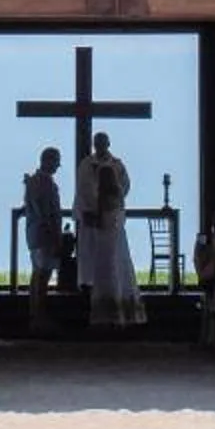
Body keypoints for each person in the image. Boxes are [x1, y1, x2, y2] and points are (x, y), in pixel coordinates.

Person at [73, 132, 145, 328]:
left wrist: (106, 204)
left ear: (108, 143)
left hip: (109, 222)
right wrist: (92, 208)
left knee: (110, 265)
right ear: (94, 144)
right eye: (97, 143)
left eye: (103, 143)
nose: (101, 146)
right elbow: (83, 189)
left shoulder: (117, 165)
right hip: (93, 222)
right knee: (93, 262)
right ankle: (93, 298)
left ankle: (113, 307)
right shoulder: (87, 165)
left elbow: (125, 186)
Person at [20, 146, 66, 318]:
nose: (57, 166)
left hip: (34, 234)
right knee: (42, 278)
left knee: (37, 276)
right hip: (44, 235)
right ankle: (39, 316)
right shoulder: (45, 183)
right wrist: (56, 235)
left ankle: (35, 315)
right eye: (56, 161)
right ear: (48, 161)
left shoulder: (32, 181)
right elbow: (47, 213)